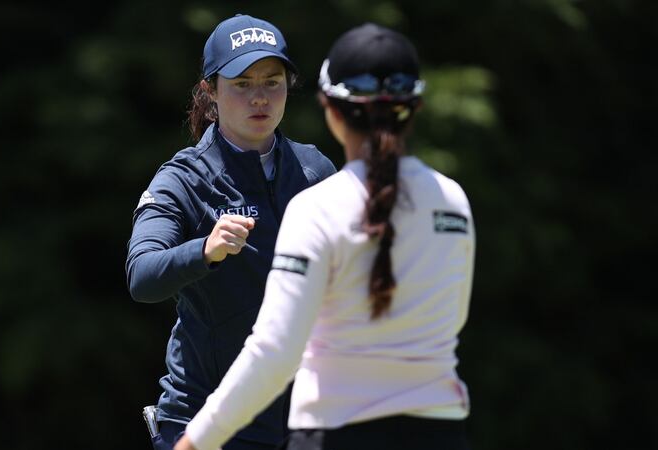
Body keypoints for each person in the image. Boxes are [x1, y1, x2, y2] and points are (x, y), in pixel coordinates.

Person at [174, 23, 475, 450]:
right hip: (442, 432)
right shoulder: (453, 202)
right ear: (416, 107)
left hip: (334, 433)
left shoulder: (317, 207)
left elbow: (276, 352)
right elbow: (452, 322)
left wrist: (196, 442)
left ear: (330, 109)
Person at [125, 13, 337, 450]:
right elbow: (142, 277)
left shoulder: (316, 170)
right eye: (242, 83)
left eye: (272, 81)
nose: (260, 98)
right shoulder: (183, 179)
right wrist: (205, 249)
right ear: (211, 92)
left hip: (303, 424)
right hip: (204, 424)